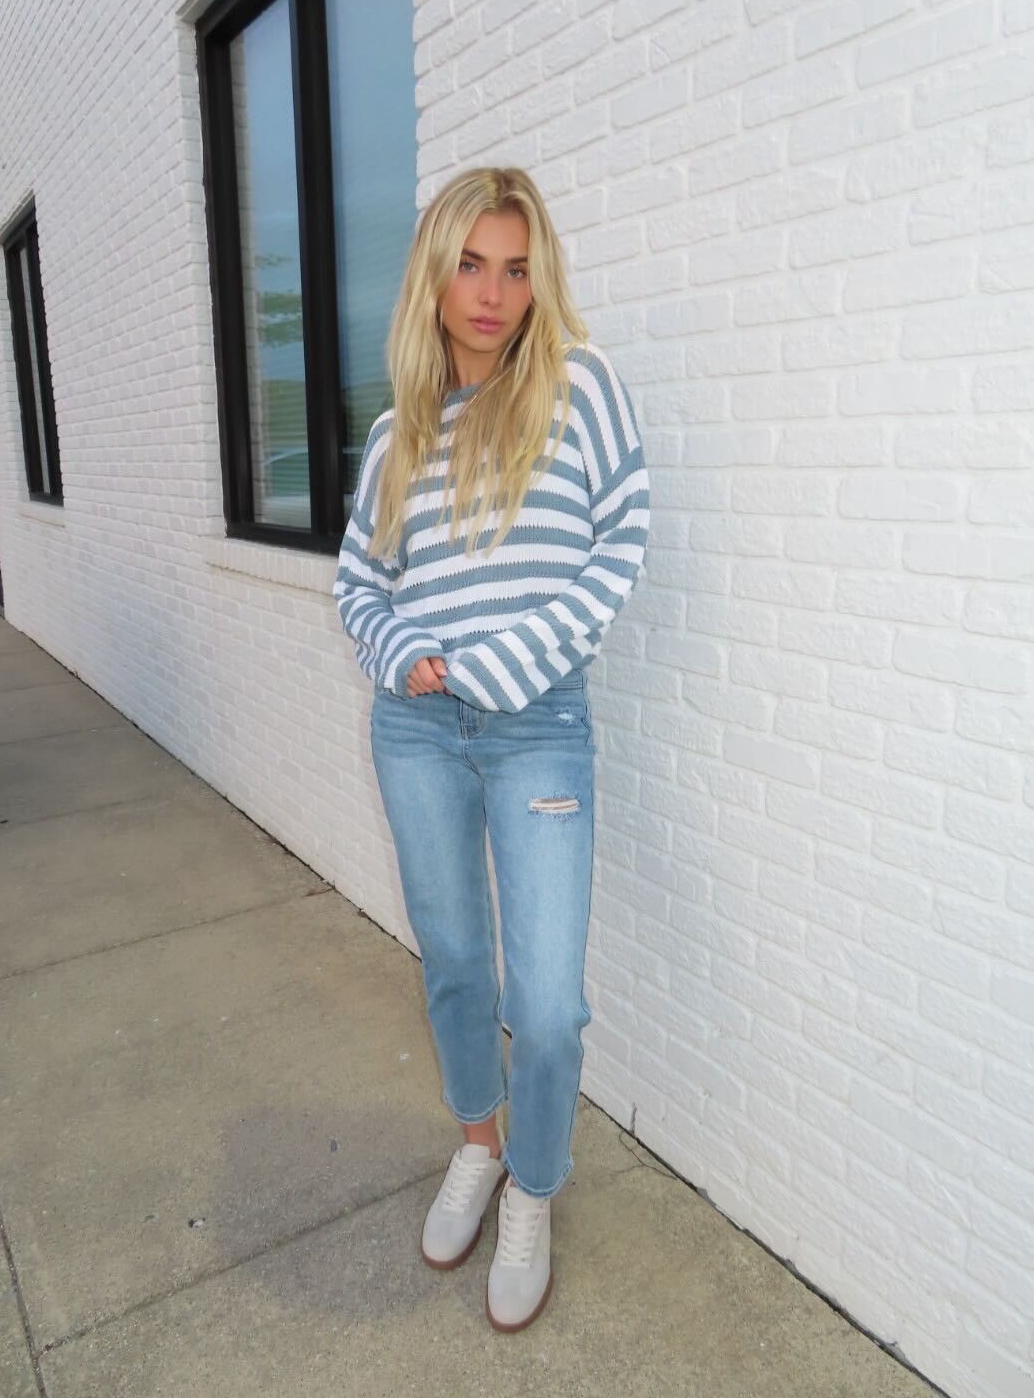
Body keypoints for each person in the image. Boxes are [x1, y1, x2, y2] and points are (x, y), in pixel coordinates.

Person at [332, 165, 650, 1333]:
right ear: (435, 274)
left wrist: (507, 666)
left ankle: (534, 1186)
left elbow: (620, 545)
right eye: (471, 263)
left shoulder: (581, 387)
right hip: (415, 726)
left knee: (552, 1003)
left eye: (516, 268)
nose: (493, 291)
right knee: (457, 959)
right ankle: (479, 1141)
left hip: (536, 733)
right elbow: (359, 580)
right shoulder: (395, 433)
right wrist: (400, 649)